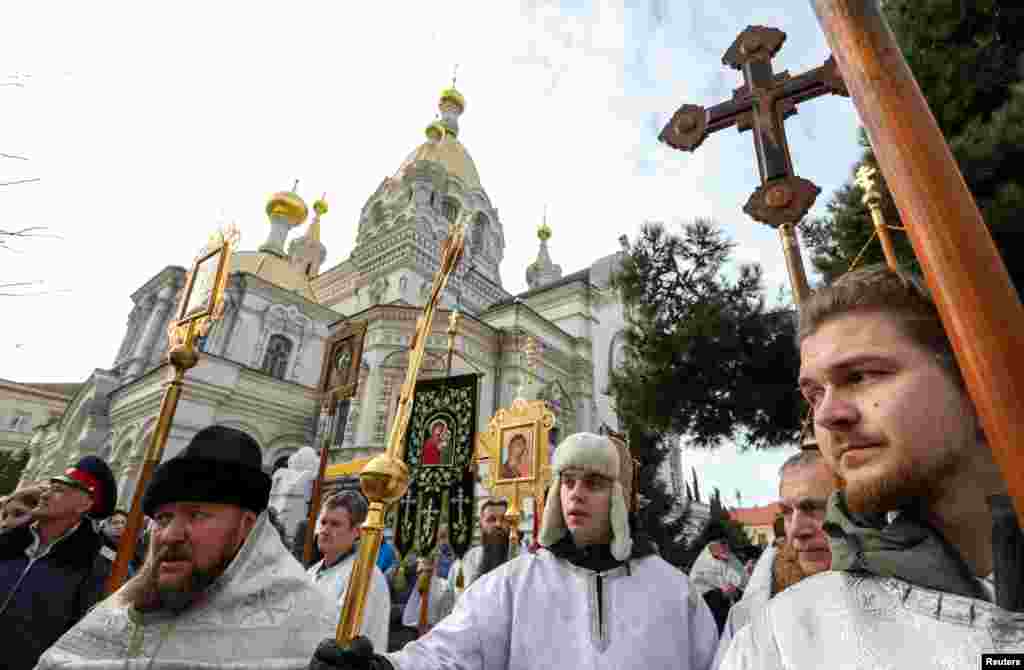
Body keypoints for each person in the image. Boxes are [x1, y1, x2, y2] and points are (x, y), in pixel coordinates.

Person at [719, 265, 1024, 668]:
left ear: (969, 379)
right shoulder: (786, 642)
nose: (826, 415)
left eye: (861, 376)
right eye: (814, 394)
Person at [309, 432, 720, 670]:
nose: (577, 493)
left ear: (617, 498)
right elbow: (447, 654)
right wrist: (383, 668)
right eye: (568, 481)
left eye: (593, 483)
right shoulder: (515, 583)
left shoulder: (673, 591)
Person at [36, 425, 336, 670]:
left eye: (197, 515)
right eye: (163, 518)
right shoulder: (122, 610)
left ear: (246, 525)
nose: (170, 535)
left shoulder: (310, 622)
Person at [712, 450, 836, 668]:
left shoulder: (903, 600)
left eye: (815, 508)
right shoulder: (746, 619)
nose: (797, 529)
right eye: (788, 512)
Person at [0, 456, 116, 670]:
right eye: (49, 487)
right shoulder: (7, 541)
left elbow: (86, 635)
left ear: (85, 504)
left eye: (59, 490)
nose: (44, 494)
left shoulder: (96, 561)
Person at [309, 490, 390, 654]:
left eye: (335, 524)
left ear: (357, 532)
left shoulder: (366, 576)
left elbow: (343, 637)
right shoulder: (311, 572)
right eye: (323, 522)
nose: (325, 530)